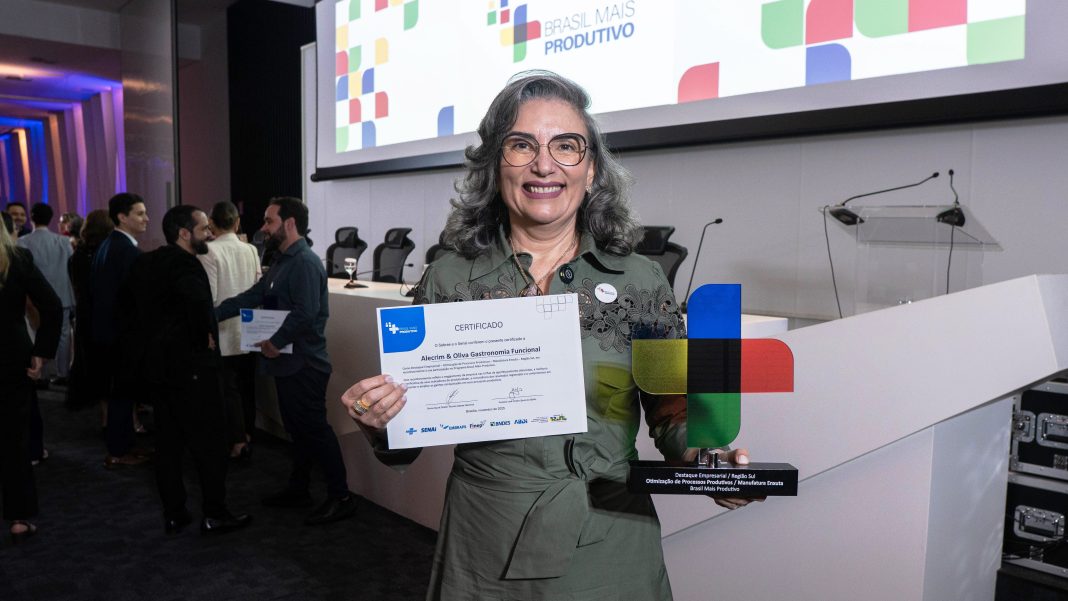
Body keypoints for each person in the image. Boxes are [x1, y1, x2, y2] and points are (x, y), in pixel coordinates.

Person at [340, 71, 759, 601]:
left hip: (610, 537)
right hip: (485, 540)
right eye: (521, 145)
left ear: (591, 167)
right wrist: (381, 423)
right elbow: (409, 434)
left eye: (566, 146)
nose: (544, 165)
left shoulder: (641, 281)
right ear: (495, 165)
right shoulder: (447, 280)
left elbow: (673, 411)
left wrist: (710, 465)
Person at [216, 197, 358, 525]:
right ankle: (299, 488)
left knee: (315, 430)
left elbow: (306, 313)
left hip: (305, 364)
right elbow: (254, 296)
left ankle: (342, 497)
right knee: (298, 430)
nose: (263, 228)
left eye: (269, 221)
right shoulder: (283, 260)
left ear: (289, 223)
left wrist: (275, 342)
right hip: (288, 363)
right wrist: (213, 315)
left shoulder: (304, 262)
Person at [124, 205, 252, 535]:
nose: (210, 234)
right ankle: (215, 512)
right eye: (204, 229)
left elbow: (134, 312)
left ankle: (174, 512)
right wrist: (203, 338)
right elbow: (197, 305)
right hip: (192, 369)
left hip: (159, 368)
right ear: (184, 234)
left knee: (168, 444)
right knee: (210, 443)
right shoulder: (186, 265)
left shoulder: (146, 262)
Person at [0, 207, 61, 543]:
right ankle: (19, 518)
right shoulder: (18, 259)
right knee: (15, 438)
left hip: (14, 357)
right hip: (13, 355)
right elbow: (51, 305)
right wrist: (42, 352)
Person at [90, 193, 150, 467]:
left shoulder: (110, 245)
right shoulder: (124, 250)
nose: (146, 218)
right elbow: (134, 298)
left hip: (111, 333)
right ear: (122, 217)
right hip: (122, 335)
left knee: (121, 393)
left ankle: (123, 446)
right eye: (140, 213)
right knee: (122, 394)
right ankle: (118, 451)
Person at [199, 201, 261, 460]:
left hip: (222, 329)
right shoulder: (251, 249)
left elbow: (210, 297)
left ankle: (236, 441)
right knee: (247, 387)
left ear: (212, 224)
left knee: (227, 390)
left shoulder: (208, 251)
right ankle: (247, 435)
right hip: (250, 328)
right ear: (237, 223)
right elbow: (258, 286)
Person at [18, 203, 75, 385]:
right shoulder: (63, 241)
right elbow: (71, 267)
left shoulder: (22, 242)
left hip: (33, 297)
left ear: (31, 217)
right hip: (62, 294)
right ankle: (62, 372)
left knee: (35, 333)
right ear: (51, 219)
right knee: (63, 335)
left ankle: (40, 373)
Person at [67, 210, 113, 411]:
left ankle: (99, 406)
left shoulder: (78, 254)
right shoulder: (106, 254)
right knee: (107, 363)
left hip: (85, 312)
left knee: (90, 359)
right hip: (104, 313)